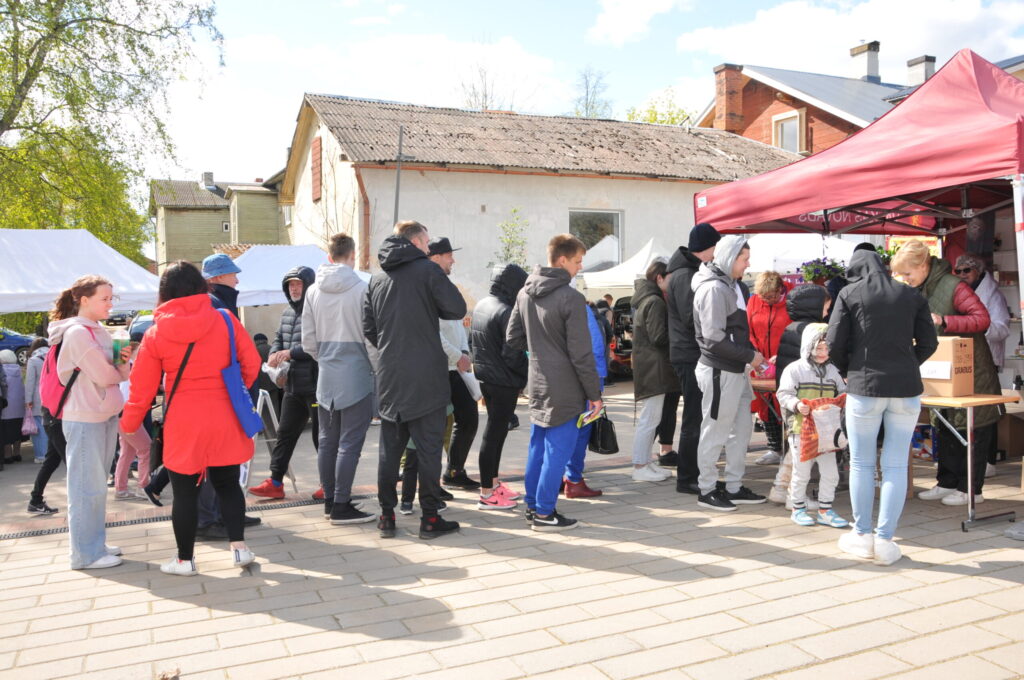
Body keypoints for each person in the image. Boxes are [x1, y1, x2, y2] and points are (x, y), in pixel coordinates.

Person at [122, 261, 260, 575]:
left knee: (185, 492)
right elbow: (251, 364)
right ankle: (239, 548)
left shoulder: (156, 333)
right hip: (225, 415)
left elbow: (141, 389)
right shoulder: (225, 319)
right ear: (202, 286)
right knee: (227, 484)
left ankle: (185, 560)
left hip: (183, 421)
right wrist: (234, 391)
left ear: (164, 292)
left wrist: (128, 424)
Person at [828, 247, 937, 566]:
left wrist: (850, 371)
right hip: (906, 389)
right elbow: (929, 342)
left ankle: (862, 536)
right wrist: (906, 365)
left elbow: (834, 343)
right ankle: (886, 540)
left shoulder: (849, 293)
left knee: (861, 462)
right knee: (895, 464)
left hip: (865, 387)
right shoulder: (912, 294)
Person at [364, 221, 467, 540]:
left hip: (391, 374)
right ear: (419, 242)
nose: (428, 248)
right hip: (426, 375)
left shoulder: (377, 279)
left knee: (389, 451)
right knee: (428, 448)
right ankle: (431, 518)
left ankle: (386, 516)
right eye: (426, 243)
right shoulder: (428, 270)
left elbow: (368, 328)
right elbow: (456, 308)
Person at [891, 241, 1000, 507]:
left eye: (908, 273)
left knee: (972, 428)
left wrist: (945, 321)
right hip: (943, 369)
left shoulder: (954, 285)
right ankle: (947, 482)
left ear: (922, 265)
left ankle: (971, 489)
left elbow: (982, 319)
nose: (905, 279)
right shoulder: (921, 288)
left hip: (973, 369)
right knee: (947, 426)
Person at [507, 234, 602, 532]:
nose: (579, 267)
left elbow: (512, 338)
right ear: (561, 260)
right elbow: (581, 353)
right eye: (577, 261)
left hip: (537, 381)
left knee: (538, 446)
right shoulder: (570, 298)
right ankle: (545, 514)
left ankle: (534, 505)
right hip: (565, 387)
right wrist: (594, 394)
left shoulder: (524, 292)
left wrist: (539, 353)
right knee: (556, 451)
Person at [48, 275, 131, 569]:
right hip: (85, 417)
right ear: (84, 300)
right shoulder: (78, 334)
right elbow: (109, 376)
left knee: (94, 485)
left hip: (100, 415)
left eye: (112, 299)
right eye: (104, 299)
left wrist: (119, 364)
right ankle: (84, 554)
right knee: (86, 487)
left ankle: (94, 544)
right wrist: (119, 366)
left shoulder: (97, 331)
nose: (110, 304)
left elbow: (119, 372)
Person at [301, 233, 376, 524]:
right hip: (356, 371)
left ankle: (331, 501)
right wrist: (376, 368)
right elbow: (371, 339)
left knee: (326, 440)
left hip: (326, 374)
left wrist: (326, 359)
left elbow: (307, 341)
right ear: (352, 255)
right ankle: (342, 504)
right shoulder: (362, 288)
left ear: (329, 256)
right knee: (350, 443)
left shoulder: (311, 291)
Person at [691, 235, 766, 511]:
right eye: (744, 259)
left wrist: (749, 357)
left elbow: (730, 334)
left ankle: (733, 486)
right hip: (720, 370)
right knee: (715, 431)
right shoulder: (714, 289)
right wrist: (750, 356)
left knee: (740, 429)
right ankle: (707, 489)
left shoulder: (727, 285)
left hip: (734, 369)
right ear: (730, 258)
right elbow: (712, 339)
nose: (748, 264)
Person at [249, 266, 319, 500]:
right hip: (291, 386)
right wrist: (274, 354)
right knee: (284, 434)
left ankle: (329, 483)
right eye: (290, 285)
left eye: (298, 284)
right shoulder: (288, 312)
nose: (294, 288)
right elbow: (279, 337)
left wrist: (290, 353)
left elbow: (317, 345)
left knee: (321, 437)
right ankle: (275, 481)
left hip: (315, 385)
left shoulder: (317, 310)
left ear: (308, 285)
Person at [776, 323, 849, 529]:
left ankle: (825, 509)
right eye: (818, 348)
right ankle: (798, 508)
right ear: (808, 346)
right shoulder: (794, 369)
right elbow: (783, 394)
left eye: (827, 349)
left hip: (827, 432)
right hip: (801, 429)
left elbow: (842, 391)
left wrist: (844, 399)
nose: (822, 353)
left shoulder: (834, 370)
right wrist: (797, 405)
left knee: (831, 473)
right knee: (802, 472)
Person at [469, 263, 529, 510]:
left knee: (497, 432)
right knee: (494, 435)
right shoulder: (506, 311)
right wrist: (525, 376)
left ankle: (493, 484)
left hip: (486, 377)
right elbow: (513, 353)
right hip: (503, 380)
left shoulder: (483, 303)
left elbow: (473, 342)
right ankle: (487, 492)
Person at [666, 222, 720, 495]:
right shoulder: (686, 275)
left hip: (687, 352)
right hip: (690, 354)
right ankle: (688, 477)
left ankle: (694, 473)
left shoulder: (685, 272)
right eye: (715, 249)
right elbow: (692, 318)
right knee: (694, 418)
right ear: (707, 248)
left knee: (697, 416)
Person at [767, 284, 832, 505]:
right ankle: (794, 498)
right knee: (806, 450)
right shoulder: (816, 330)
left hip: (792, 399)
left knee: (798, 447)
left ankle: (780, 488)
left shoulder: (791, 327)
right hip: (810, 398)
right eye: (825, 306)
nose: (827, 311)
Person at [427, 237, 481, 491]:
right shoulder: (428, 286)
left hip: (455, 368)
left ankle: (454, 471)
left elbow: (457, 324)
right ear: (436, 257)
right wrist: (456, 356)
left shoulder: (445, 285)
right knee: (435, 428)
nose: (453, 260)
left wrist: (463, 351)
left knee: (468, 419)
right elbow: (431, 332)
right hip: (438, 369)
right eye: (449, 255)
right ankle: (428, 483)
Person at [954, 252, 1010, 477]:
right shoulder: (962, 292)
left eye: (966, 270)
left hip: (986, 358)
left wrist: (978, 326)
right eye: (958, 271)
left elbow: (1002, 328)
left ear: (978, 271)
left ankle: (988, 459)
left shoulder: (992, 295)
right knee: (970, 412)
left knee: (988, 410)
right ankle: (972, 459)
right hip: (964, 359)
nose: (962, 275)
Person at [630, 260, 675, 483]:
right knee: (649, 419)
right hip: (654, 368)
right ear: (659, 278)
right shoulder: (655, 301)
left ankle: (645, 462)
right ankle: (640, 465)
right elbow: (659, 338)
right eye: (670, 277)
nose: (672, 282)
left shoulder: (645, 300)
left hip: (650, 368)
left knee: (651, 418)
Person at [561, 301, 608, 499]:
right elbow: (595, 348)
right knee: (581, 430)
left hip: (556, 381)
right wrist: (597, 384)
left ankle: (561, 478)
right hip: (584, 381)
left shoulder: (538, 301)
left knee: (560, 433)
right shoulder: (578, 306)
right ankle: (574, 480)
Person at [747, 271, 792, 465]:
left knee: (785, 403)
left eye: (771, 296)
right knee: (764, 404)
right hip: (760, 363)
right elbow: (748, 329)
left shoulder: (792, 300)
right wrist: (756, 355)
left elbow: (795, 330)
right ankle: (774, 448)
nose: (767, 300)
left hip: (786, 362)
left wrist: (783, 354)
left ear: (780, 289)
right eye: (764, 297)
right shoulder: (755, 302)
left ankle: (791, 450)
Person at [113, 342, 151, 500]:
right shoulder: (131, 367)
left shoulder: (121, 367)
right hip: (129, 413)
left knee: (127, 453)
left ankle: (121, 489)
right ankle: (143, 487)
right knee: (145, 448)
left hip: (121, 413)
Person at [23, 338, 50, 464]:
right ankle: (54, 453)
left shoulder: (33, 360)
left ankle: (41, 455)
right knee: (53, 425)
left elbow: (30, 382)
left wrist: (28, 400)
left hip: (38, 396)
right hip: (55, 395)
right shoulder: (54, 356)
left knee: (39, 427)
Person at [1, 349, 26, 464]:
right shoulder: (19, 370)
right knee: (17, 431)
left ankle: (8, 456)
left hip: (7, 407)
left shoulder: (3, 371)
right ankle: (17, 453)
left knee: (6, 433)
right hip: (19, 406)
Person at [253, 332, 282, 430]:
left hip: (261, 386)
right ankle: (277, 427)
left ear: (255, 341)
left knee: (264, 411)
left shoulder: (254, 350)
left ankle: (268, 429)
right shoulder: (272, 349)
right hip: (273, 384)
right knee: (274, 409)